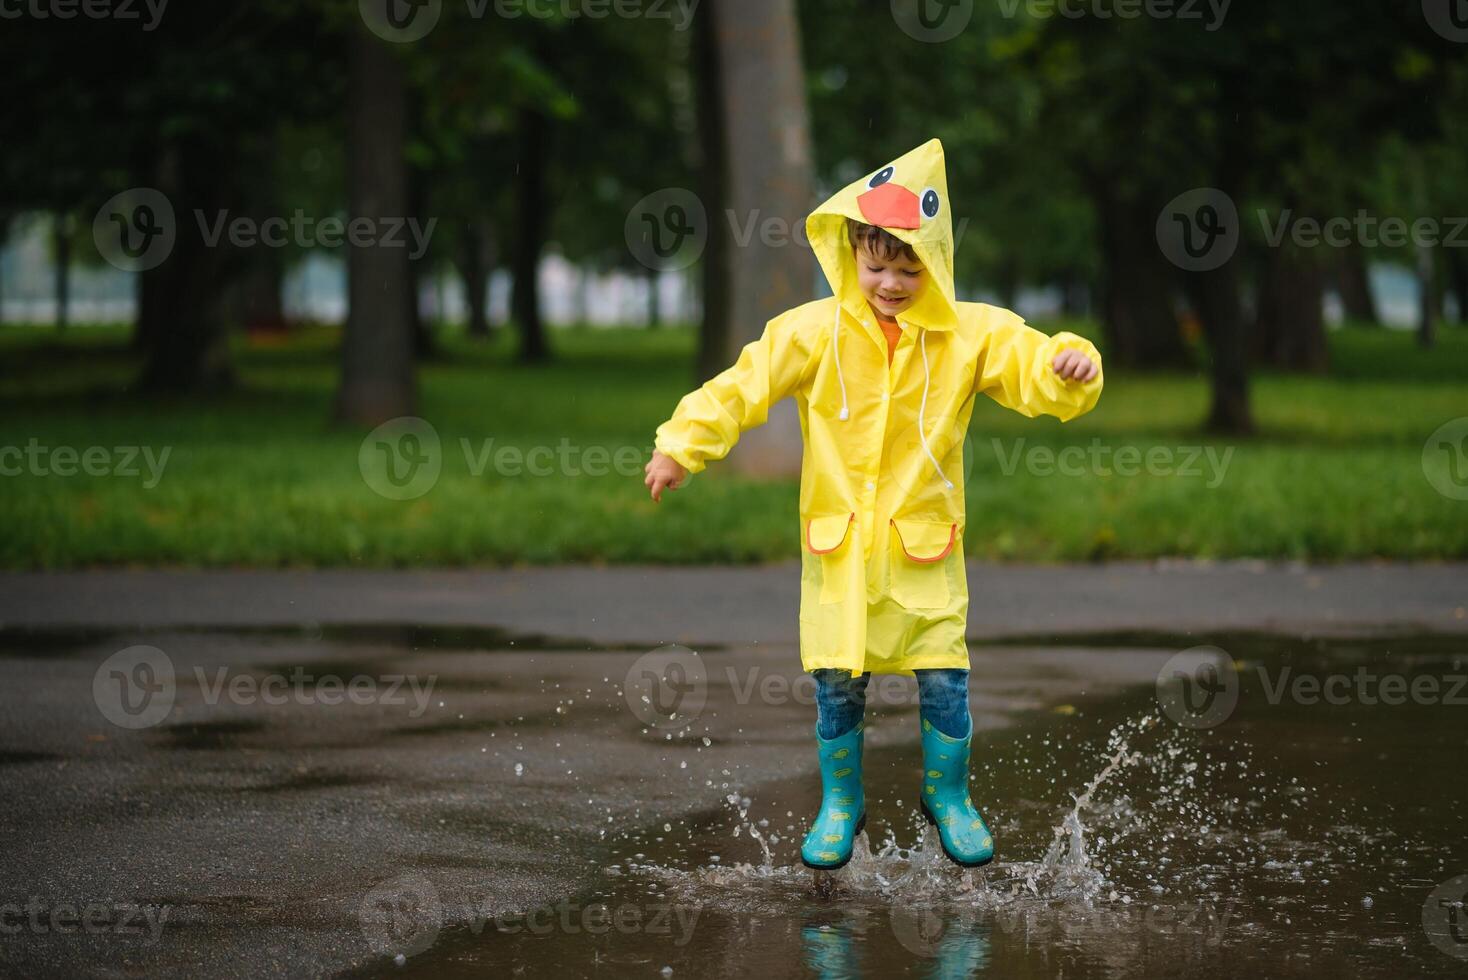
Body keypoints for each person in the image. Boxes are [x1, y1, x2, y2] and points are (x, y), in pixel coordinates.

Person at [643, 138, 1102, 871]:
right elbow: (742, 384)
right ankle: (840, 801)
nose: (889, 282)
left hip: (923, 546)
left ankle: (947, 794)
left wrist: (1069, 363)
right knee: (837, 680)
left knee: (944, 675)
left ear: (936, 263)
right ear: (851, 254)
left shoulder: (967, 333)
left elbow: (1031, 360)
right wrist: (682, 444)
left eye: (908, 267)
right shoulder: (813, 332)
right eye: (876, 265)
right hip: (842, 548)